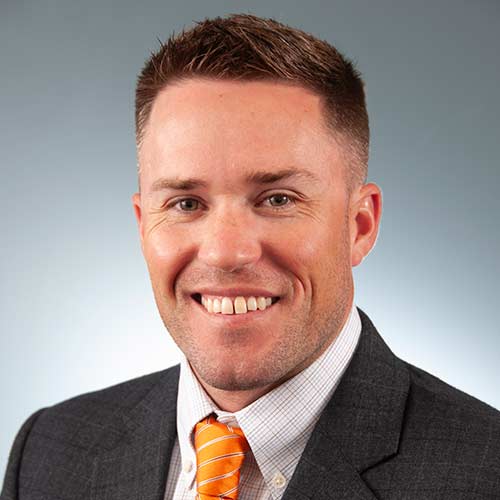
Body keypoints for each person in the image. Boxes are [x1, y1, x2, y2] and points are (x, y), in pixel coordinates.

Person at [2, 13, 499, 500]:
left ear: (359, 226)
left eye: (277, 199)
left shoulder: (486, 471)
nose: (225, 252)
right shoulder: (49, 452)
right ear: (142, 225)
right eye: (186, 204)